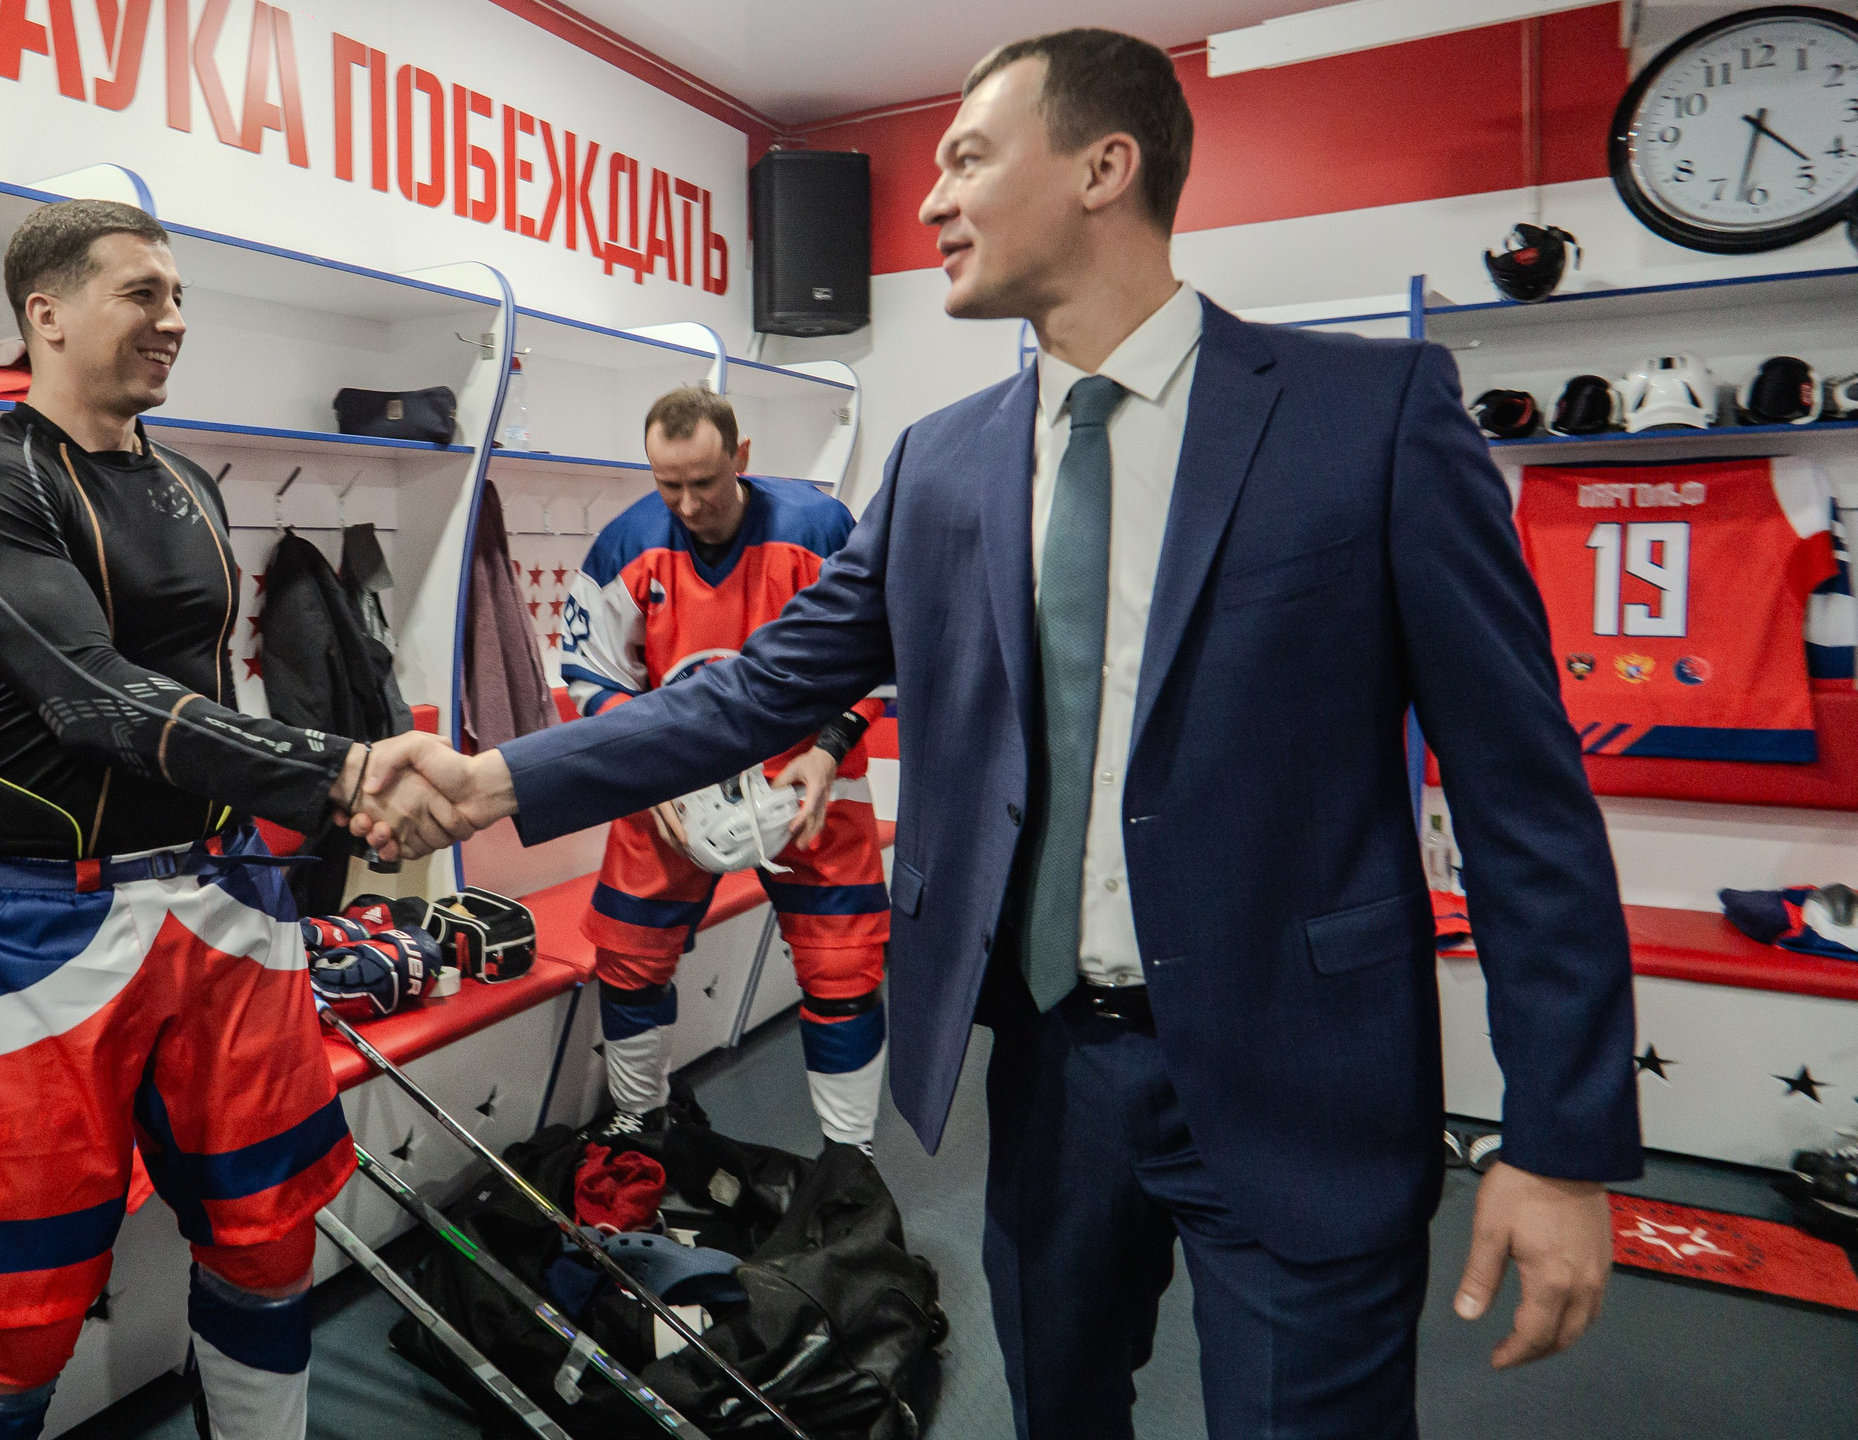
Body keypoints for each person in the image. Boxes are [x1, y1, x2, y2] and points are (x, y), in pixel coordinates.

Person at [365, 29, 1640, 1440]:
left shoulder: (1370, 420)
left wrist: (1560, 1140)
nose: (928, 203)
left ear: (1106, 166)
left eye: (969, 155)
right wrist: (496, 773)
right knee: (1057, 1410)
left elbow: (1528, 798)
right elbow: (757, 690)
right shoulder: (943, 461)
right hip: (1051, 1078)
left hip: (1300, 1078)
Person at [0, 198, 451, 1440]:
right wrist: (343, 772)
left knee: (268, 1241)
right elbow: (91, 697)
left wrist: (315, 812)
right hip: (28, 927)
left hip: (218, 897)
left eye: (179, 296)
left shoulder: (189, 481)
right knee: (8, 1329)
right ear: (44, 313)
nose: (174, 320)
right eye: (143, 293)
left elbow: (201, 697)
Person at [561, 386, 894, 1150]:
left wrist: (833, 744)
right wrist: (648, 775)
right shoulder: (625, 544)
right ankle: (639, 1123)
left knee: (844, 969)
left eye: (704, 482)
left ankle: (850, 1160)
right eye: (666, 483)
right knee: (627, 954)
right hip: (672, 777)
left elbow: (879, 645)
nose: (686, 503)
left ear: (740, 459)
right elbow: (590, 672)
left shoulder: (819, 526)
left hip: (807, 771)